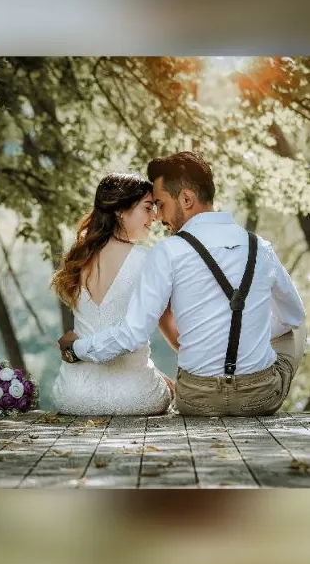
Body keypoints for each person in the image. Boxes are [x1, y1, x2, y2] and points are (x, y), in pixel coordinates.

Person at [59, 152, 307, 417]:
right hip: (259, 398)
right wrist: (250, 334)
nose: (158, 216)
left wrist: (77, 349)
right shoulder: (261, 248)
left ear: (186, 199)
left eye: (160, 204)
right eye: (151, 206)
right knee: (294, 329)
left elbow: (133, 333)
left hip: (196, 399)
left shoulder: (166, 252)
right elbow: (293, 315)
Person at [51, 173, 179, 416]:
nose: (154, 217)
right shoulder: (148, 259)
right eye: (148, 207)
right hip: (134, 397)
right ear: (121, 210)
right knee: (168, 388)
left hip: (72, 396)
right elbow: (142, 333)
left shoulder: (78, 258)